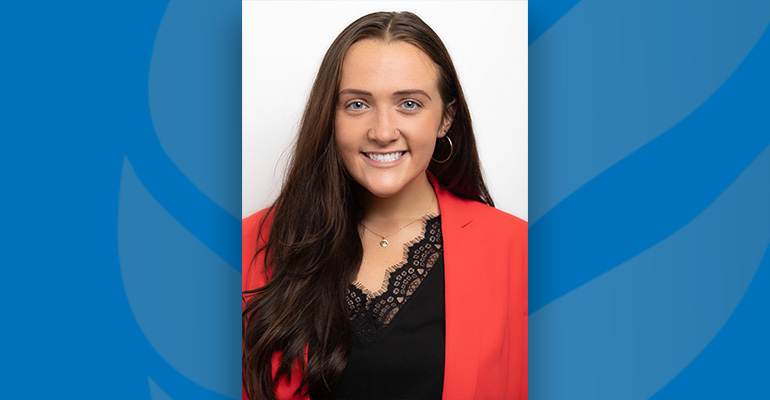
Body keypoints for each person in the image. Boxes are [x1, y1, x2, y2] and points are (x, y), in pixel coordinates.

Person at [242, 11, 527, 400]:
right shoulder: (247, 244)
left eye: (409, 104)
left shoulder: (520, 250)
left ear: (446, 118)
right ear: (330, 116)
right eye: (357, 105)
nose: (382, 131)